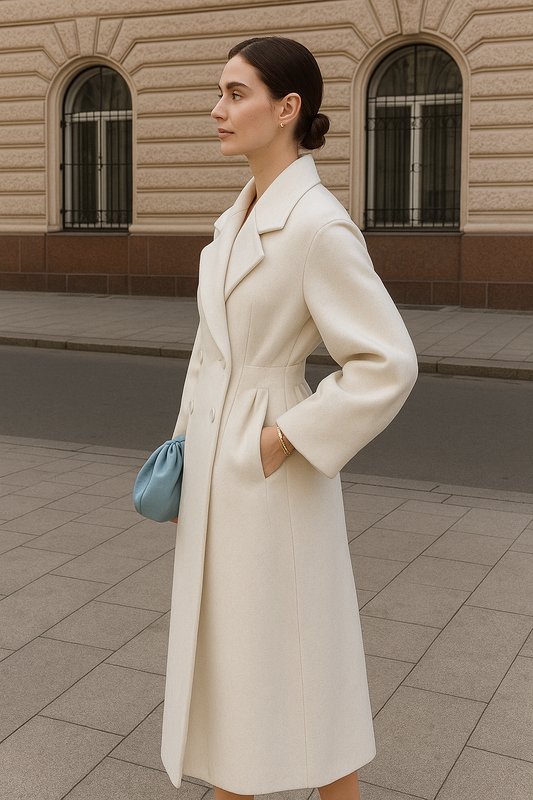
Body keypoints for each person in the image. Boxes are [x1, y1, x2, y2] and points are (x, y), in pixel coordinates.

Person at [161, 36, 418, 800]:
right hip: (220, 470)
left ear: (287, 109)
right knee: (258, 669)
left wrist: (288, 436)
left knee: (287, 666)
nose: (218, 109)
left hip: (269, 473)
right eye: (220, 92)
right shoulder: (232, 221)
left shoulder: (315, 225)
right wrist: (182, 457)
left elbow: (387, 360)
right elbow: (209, 356)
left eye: (235, 93)